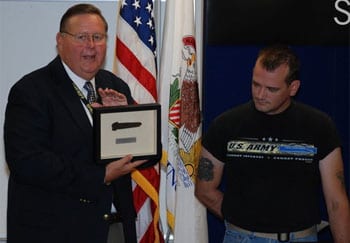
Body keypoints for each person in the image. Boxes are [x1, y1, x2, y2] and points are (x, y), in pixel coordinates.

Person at [4, 3, 155, 243]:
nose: (91, 46)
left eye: (98, 37)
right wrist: (101, 176)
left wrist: (127, 117)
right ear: (60, 41)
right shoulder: (31, 90)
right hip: (56, 232)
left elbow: (149, 154)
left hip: (114, 229)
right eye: (82, 37)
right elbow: (27, 161)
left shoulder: (115, 85)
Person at [195, 44, 350, 243]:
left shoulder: (319, 127)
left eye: (271, 89)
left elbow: (336, 201)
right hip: (241, 238)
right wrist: (242, 223)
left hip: (301, 238)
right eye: (256, 84)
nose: (260, 95)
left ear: (293, 88)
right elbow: (204, 189)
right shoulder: (226, 125)